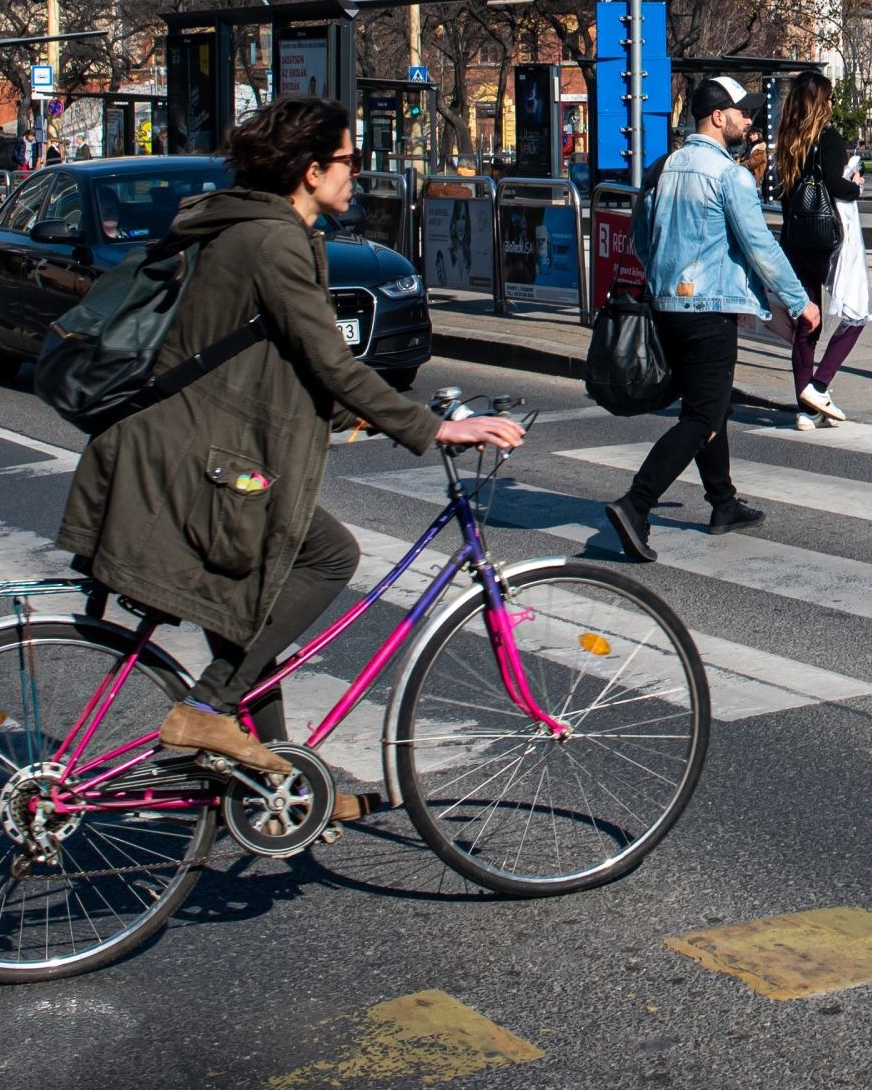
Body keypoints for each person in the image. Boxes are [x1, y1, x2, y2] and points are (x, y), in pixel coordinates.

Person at [58, 95, 524, 806]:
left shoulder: (252, 228)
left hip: (186, 446)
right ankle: (206, 711)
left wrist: (361, 417)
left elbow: (285, 362)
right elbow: (326, 357)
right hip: (195, 458)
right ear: (310, 170)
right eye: (348, 161)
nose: (355, 176)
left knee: (251, 615)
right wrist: (434, 430)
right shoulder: (272, 241)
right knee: (328, 556)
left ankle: (278, 792)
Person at [603, 76, 817, 563]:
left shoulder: (662, 168)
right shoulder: (729, 175)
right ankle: (636, 504)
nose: (750, 120)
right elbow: (759, 244)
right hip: (708, 314)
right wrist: (798, 300)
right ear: (718, 117)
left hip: (666, 309)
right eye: (742, 112)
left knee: (711, 408)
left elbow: (640, 241)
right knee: (701, 417)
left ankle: (723, 503)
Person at [771, 84, 869, 430]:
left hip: (797, 239)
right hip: (828, 239)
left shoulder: (787, 141)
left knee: (806, 321)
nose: (831, 103)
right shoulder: (828, 137)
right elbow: (834, 184)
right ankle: (819, 386)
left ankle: (805, 409)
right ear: (819, 102)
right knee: (856, 312)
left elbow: (786, 194)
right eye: (828, 98)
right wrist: (856, 183)